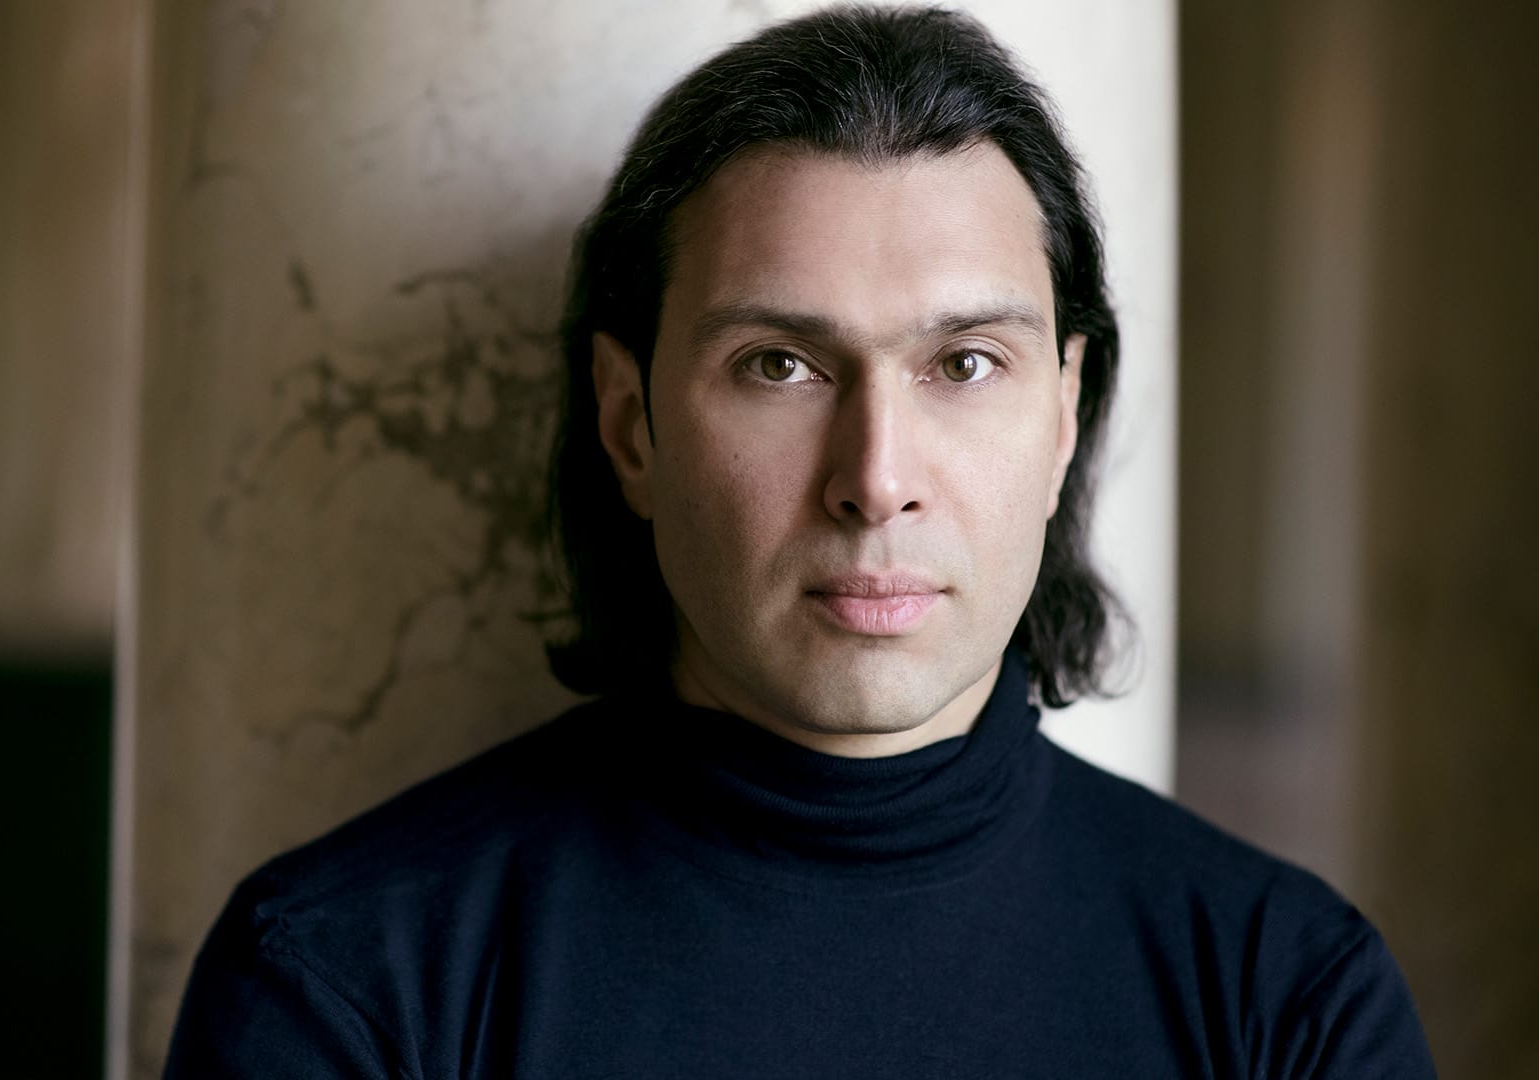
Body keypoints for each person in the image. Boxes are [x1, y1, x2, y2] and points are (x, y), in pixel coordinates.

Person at [164, 6, 1435, 1076]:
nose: (875, 482)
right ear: (631, 426)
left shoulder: (1289, 1002)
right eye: (779, 364)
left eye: (966, 363)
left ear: (1062, 415)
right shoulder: (345, 984)